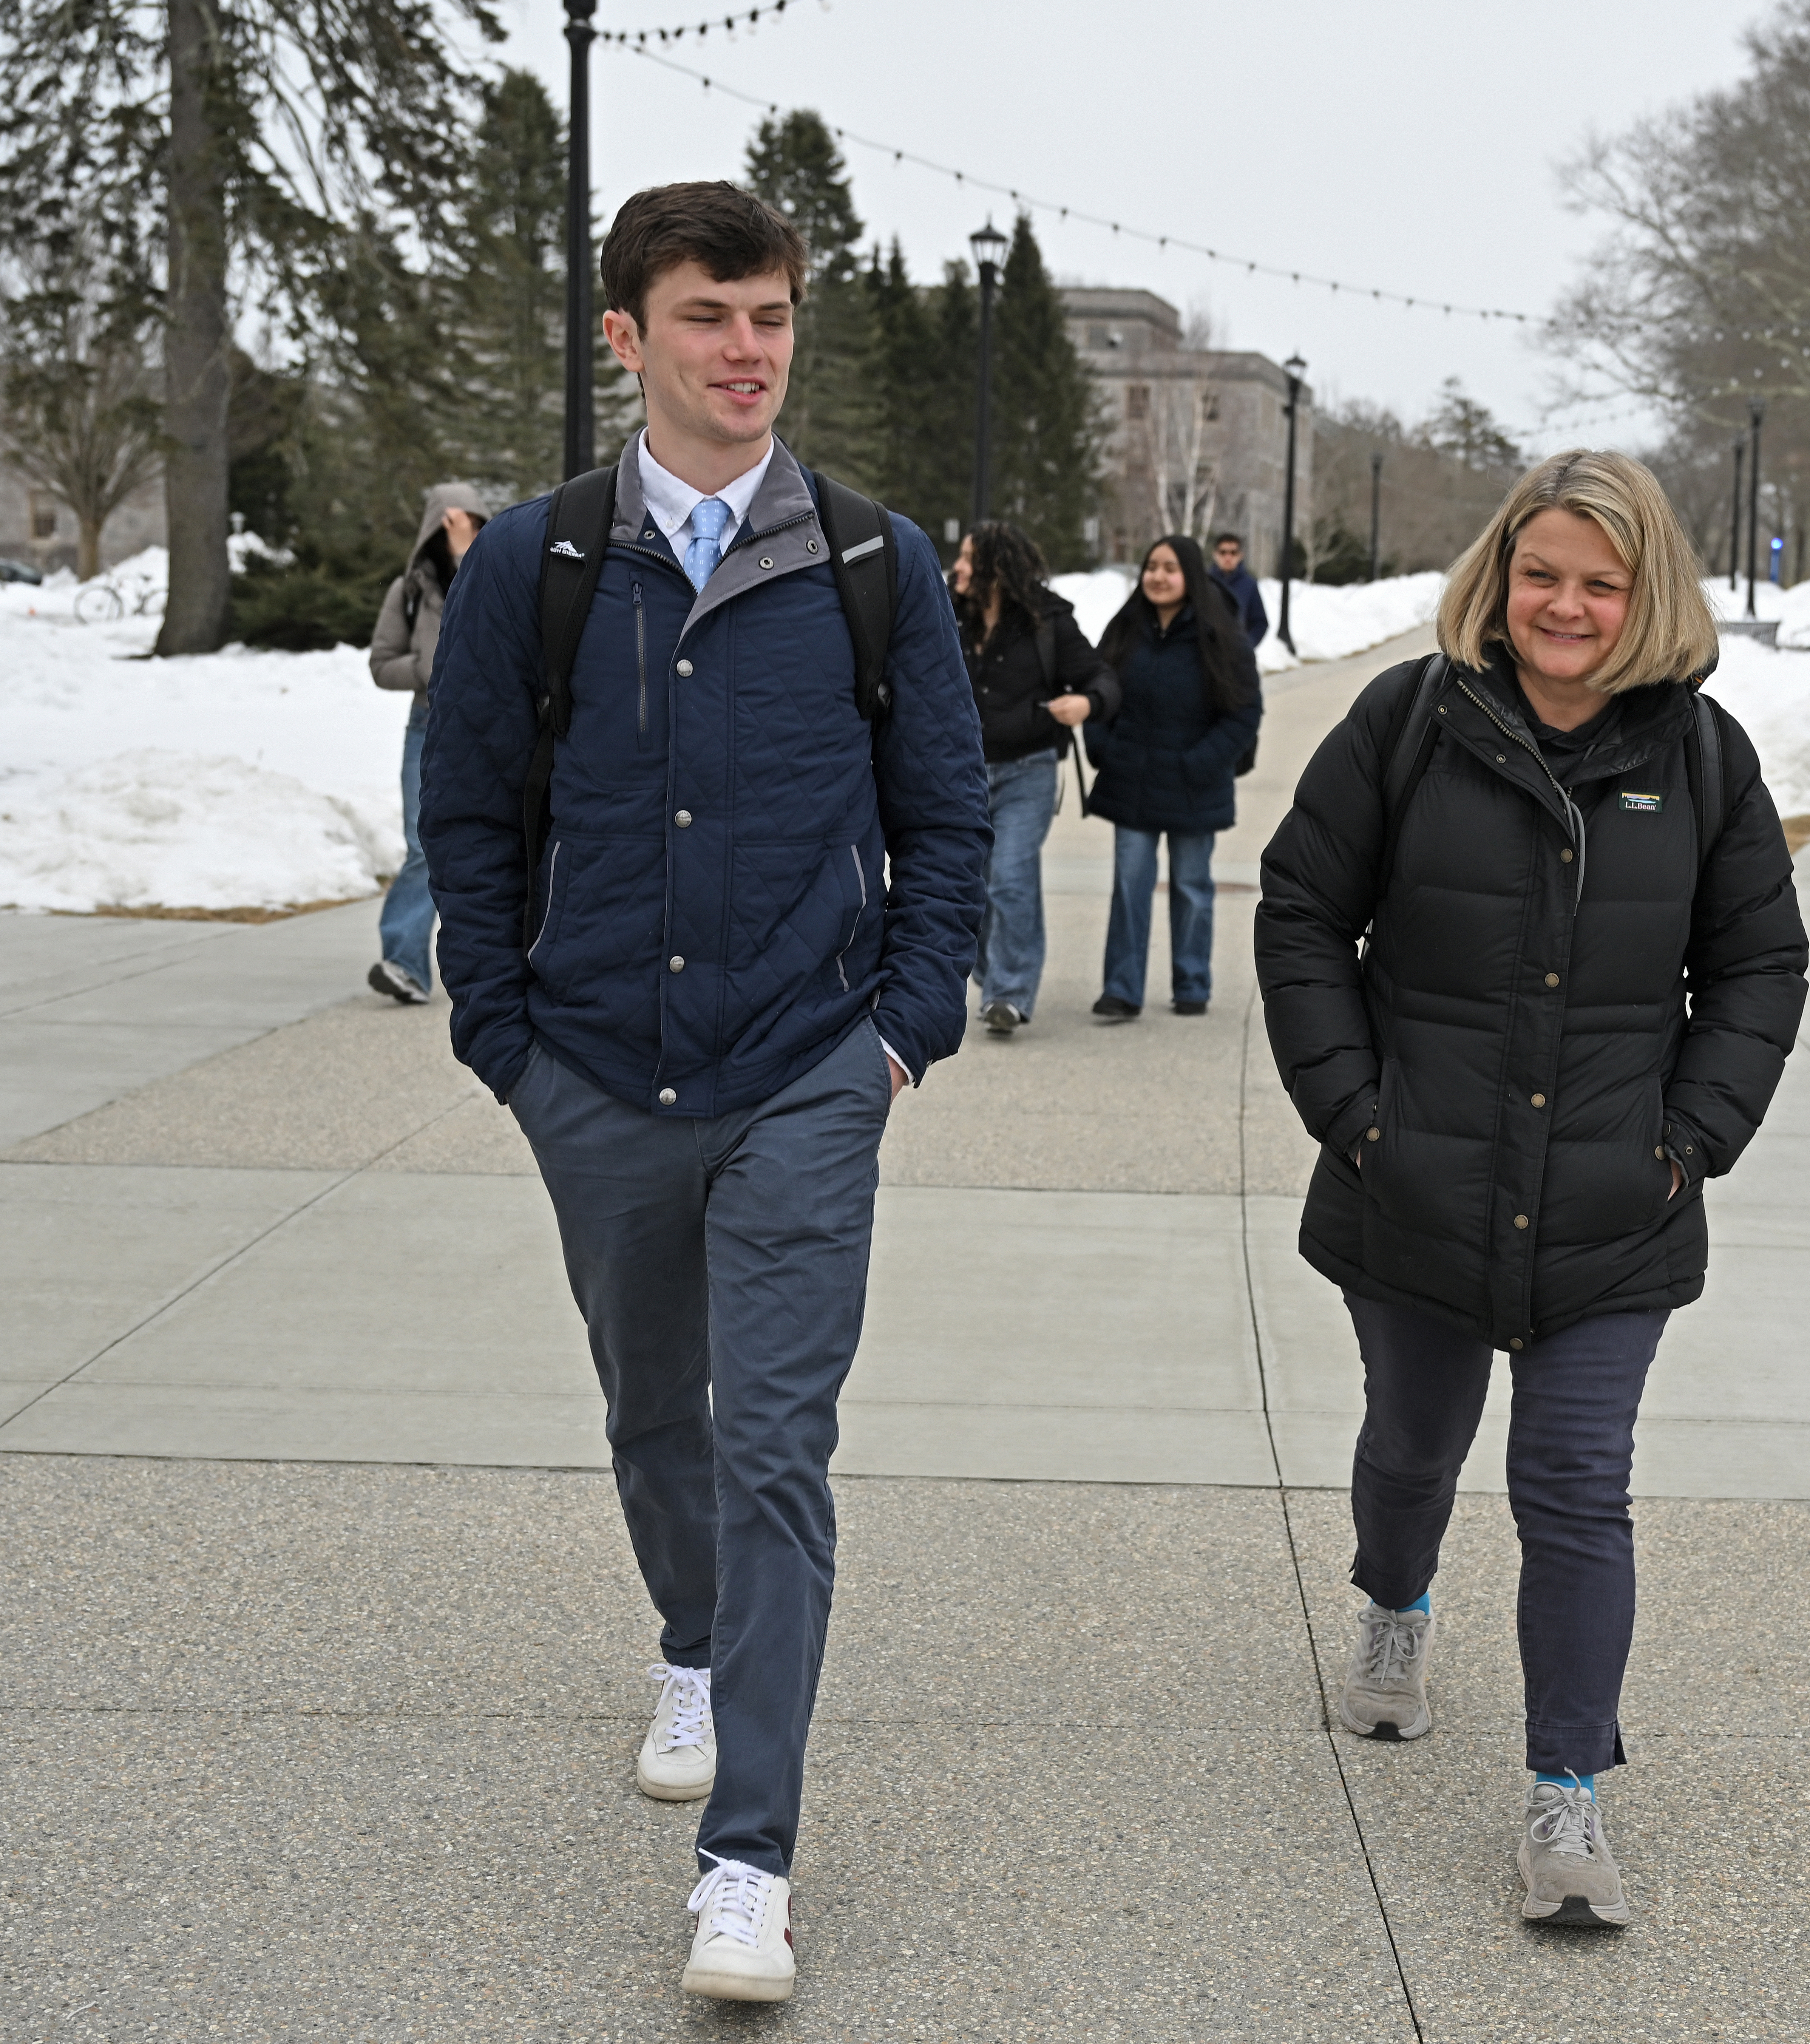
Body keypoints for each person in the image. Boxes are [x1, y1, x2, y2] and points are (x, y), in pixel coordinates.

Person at [418, 180, 988, 2005]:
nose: (747, 352)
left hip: (810, 1066)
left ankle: (748, 1863)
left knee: (776, 1444)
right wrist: (505, 1040)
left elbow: (946, 817)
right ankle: (691, 1636)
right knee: (655, 1407)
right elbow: (465, 810)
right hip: (593, 1067)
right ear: (627, 336)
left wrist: (900, 1028)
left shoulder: (872, 562)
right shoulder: (537, 564)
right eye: (706, 317)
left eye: (770, 317)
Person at [1255, 449, 1809, 1928]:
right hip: (1416, 1183)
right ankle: (1395, 1603)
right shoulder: (1410, 722)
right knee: (1414, 1444)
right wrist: (1356, 1117)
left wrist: (1689, 1139)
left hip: (1613, 1205)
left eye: (1601, 582)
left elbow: (1760, 963)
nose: (1567, 606)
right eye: (1542, 573)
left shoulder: (1704, 759)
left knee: (1575, 1486)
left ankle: (1568, 1791)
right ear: (1500, 577)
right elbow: (1303, 912)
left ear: (1647, 595)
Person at [1085, 533, 1262, 1019]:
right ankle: (1121, 990)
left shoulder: (1221, 636)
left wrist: (1199, 763)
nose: (1158, 577)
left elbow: (1244, 713)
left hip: (1194, 786)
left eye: (1170, 568)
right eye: (1151, 567)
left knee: (1191, 887)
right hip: (1132, 782)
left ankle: (1192, 983)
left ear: (1191, 575)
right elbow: (1097, 690)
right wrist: (1103, 747)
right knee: (1130, 887)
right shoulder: (1124, 629)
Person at [955, 521, 1115, 1034]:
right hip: (960, 774)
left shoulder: (1049, 622)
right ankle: (993, 972)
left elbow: (1102, 678)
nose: (958, 567)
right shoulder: (947, 612)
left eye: (968, 558)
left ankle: (1008, 993)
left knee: (1012, 875)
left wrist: (1086, 702)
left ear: (997, 569)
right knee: (971, 885)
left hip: (1029, 771)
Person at [364, 483, 486, 1004]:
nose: (461, 531)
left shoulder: (498, 574)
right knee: (423, 845)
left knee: (501, 845)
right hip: (429, 725)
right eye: (452, 524)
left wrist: (468, 556)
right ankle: (404, 964)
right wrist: (428, 669)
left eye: (473, 522)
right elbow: (381, 664)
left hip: (493, 727)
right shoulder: (409, 591)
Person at [1210, 530, 1270, 647]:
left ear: (1240, 555)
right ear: (1215, 555)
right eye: (1223, 553)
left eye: (1233, 553)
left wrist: (1247, 646)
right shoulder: (1206, 582)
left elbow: (1260, 622)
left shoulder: (1249, 585)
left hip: (1238, 652)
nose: (1228, 557)